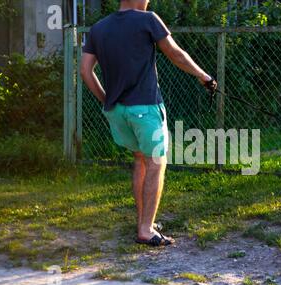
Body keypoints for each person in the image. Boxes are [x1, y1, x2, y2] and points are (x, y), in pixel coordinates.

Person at [81, 0, 217, 246]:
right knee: (156, 162)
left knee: (141, 160)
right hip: (145, 107)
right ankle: (145, 230)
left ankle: (145, 222)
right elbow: (175, 54)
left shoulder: (98, 28)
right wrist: (203, 76)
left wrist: (106, 100)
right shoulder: (148, 20)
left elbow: (85, 71)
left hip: (117, 111)